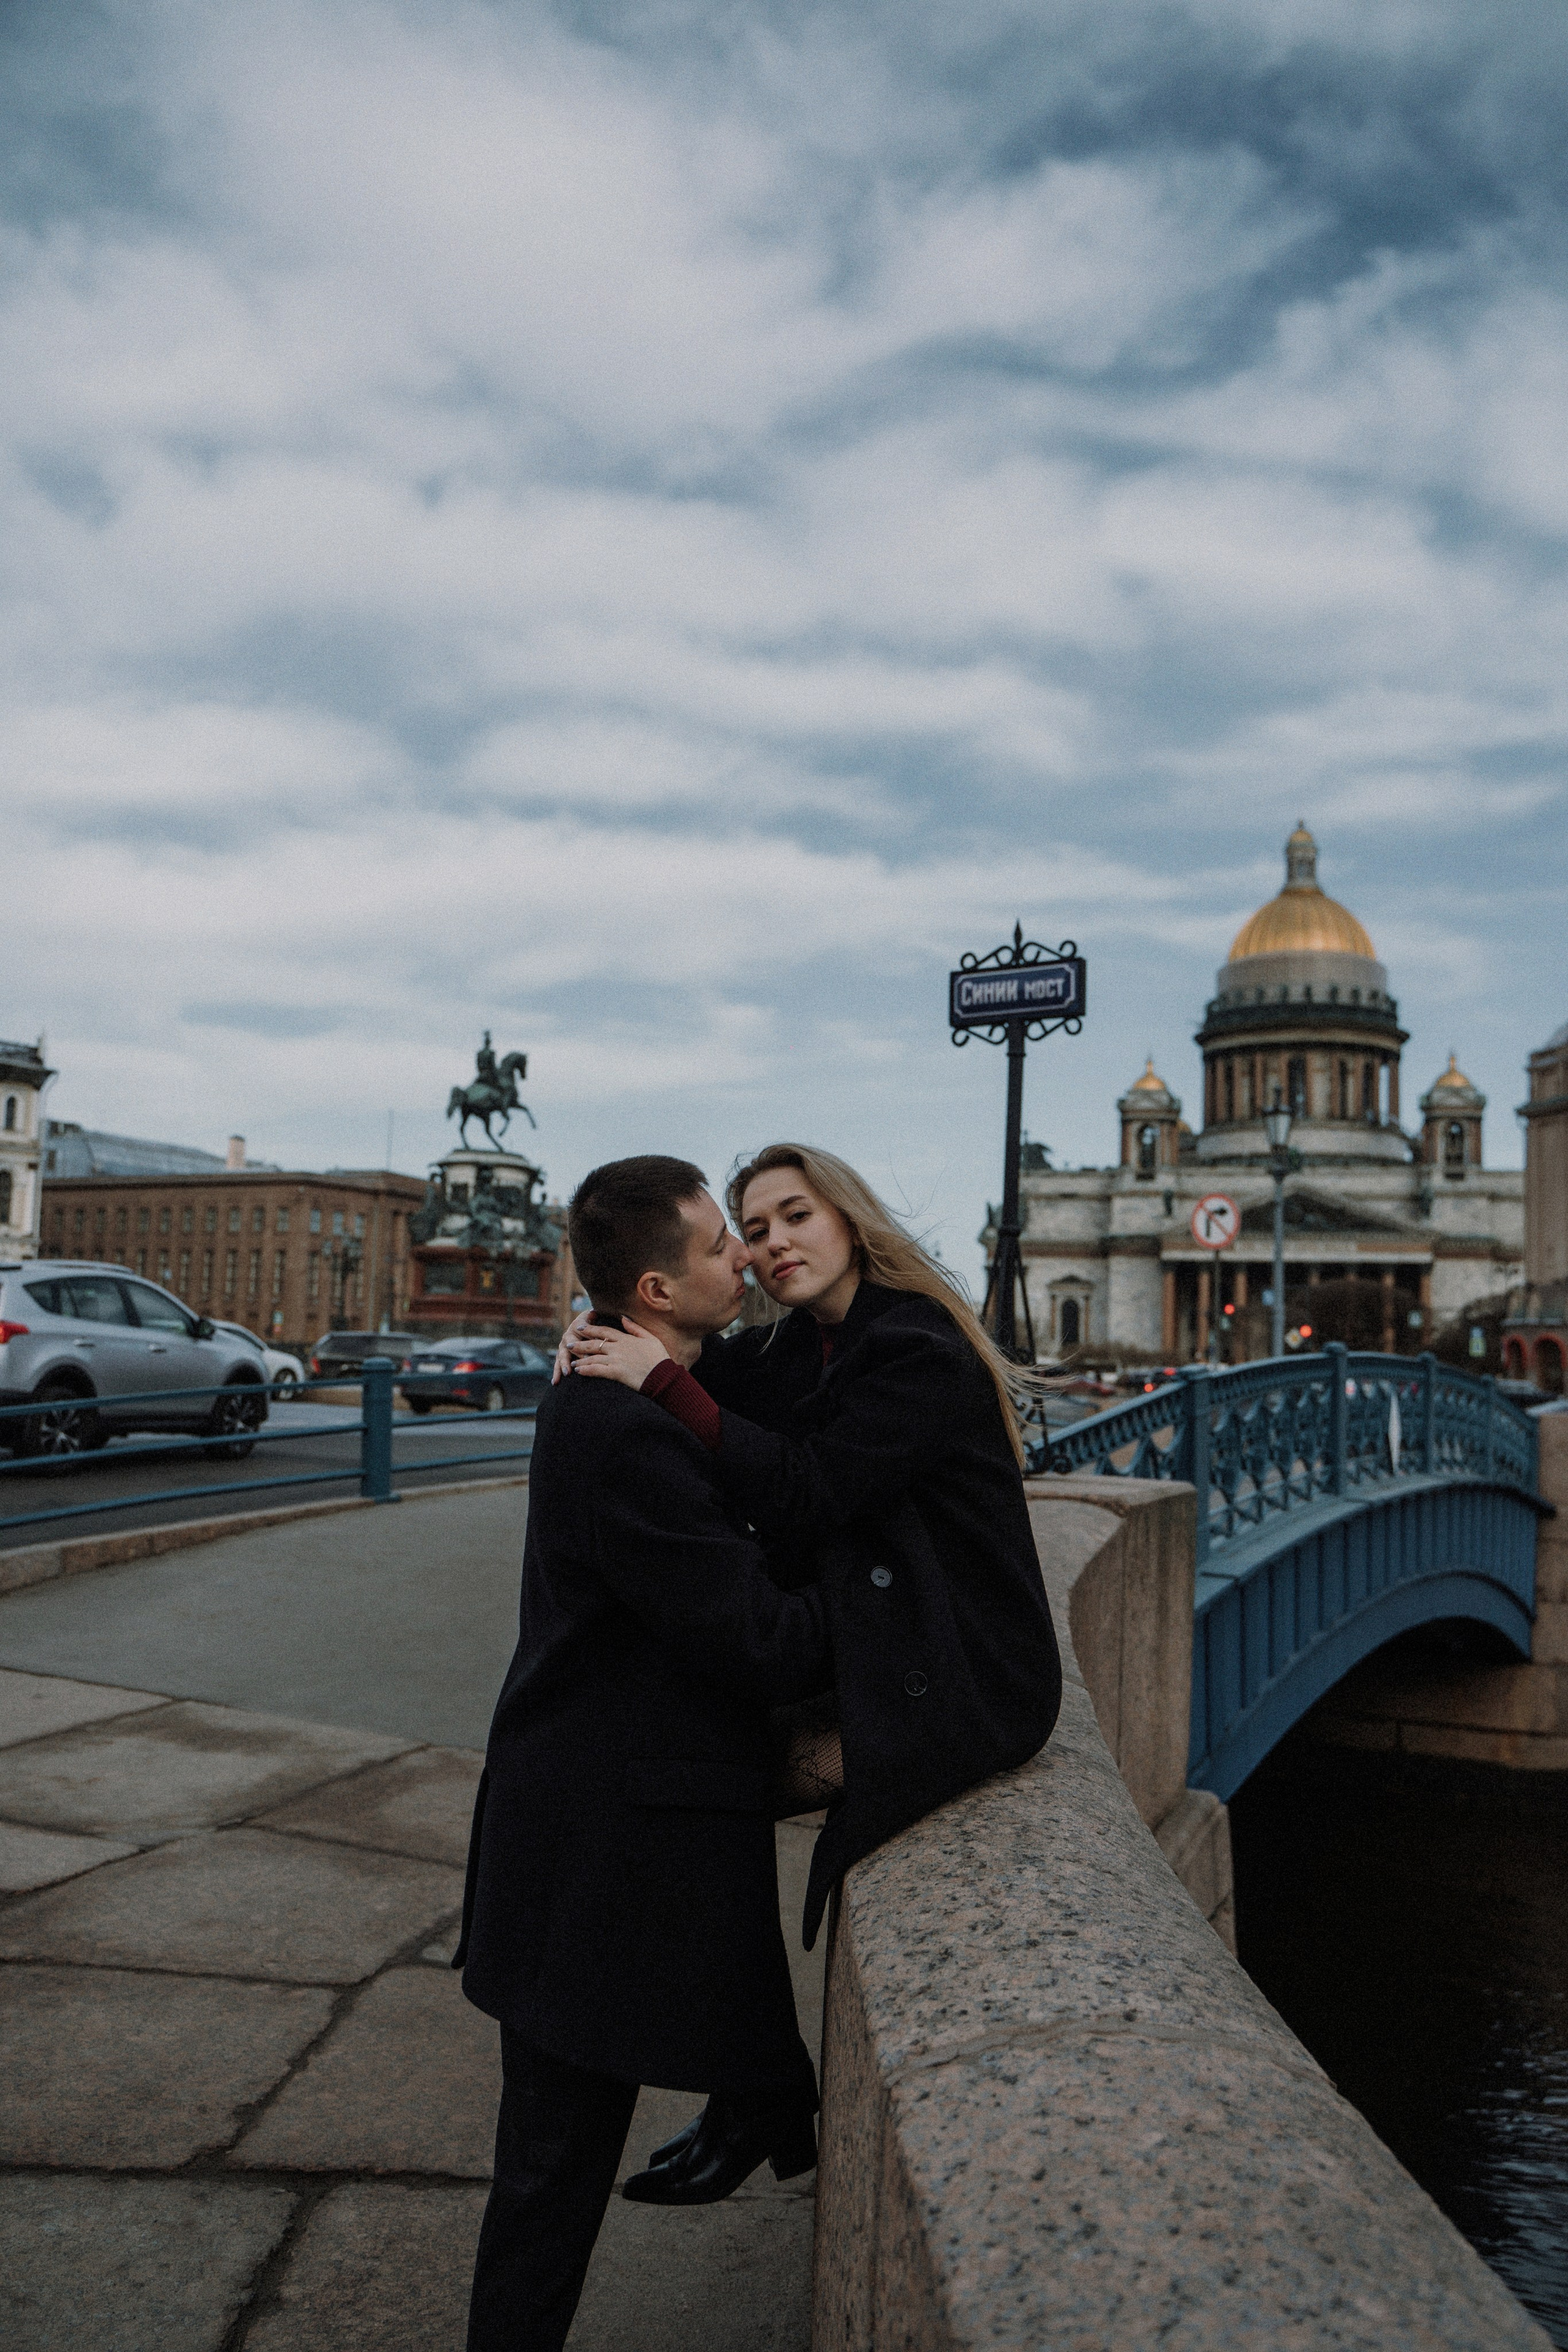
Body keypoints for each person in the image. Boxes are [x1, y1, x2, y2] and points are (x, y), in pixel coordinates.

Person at [456, 1156, 831, 2352]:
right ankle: (765, 2107)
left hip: (600, 1817)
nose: (748, 1259)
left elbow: (777, 1396)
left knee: (562, 2155)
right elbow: (757, 1639)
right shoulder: (617, 1428)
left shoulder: (632, 1376)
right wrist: (902, 1618)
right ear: (659, 1288)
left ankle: (763, 2105)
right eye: (725, 1244)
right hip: (587, 1847)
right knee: (547, 2186)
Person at [567, 1141, 1063, 1948]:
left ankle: (713, 2017)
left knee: (692, 1782)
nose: (772, 1246)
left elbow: (809, 1488)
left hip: (968, 1667)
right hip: (878, 1632)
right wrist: (602, 1323)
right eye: (754, 1232)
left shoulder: (917, 1346)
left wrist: (657, 1380)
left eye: (797, 1216)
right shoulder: (801, 1344)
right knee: (656, 1758)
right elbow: (692, 1355)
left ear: (851, 1221)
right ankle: (688, 2000)